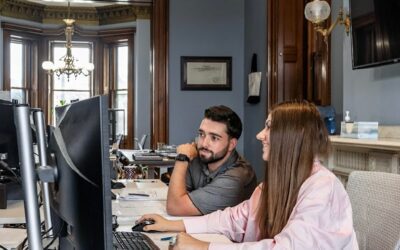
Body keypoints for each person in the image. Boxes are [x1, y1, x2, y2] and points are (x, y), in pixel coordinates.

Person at [139, 101, 359, 249]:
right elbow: (234, 219)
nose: (259, 135)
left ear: (291, 136)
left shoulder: (323, 188)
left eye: (269, 127)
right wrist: (173, 225)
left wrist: (204, 247)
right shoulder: (275, 184)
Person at [166, 105, 257, 216]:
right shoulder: (198, 157)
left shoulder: (236, 176)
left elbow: (175, 207)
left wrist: (182, 158)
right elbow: (177, 195)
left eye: (214, 138)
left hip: (226, 233)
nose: (204, 144)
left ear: (231, 144)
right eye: (201, 134)